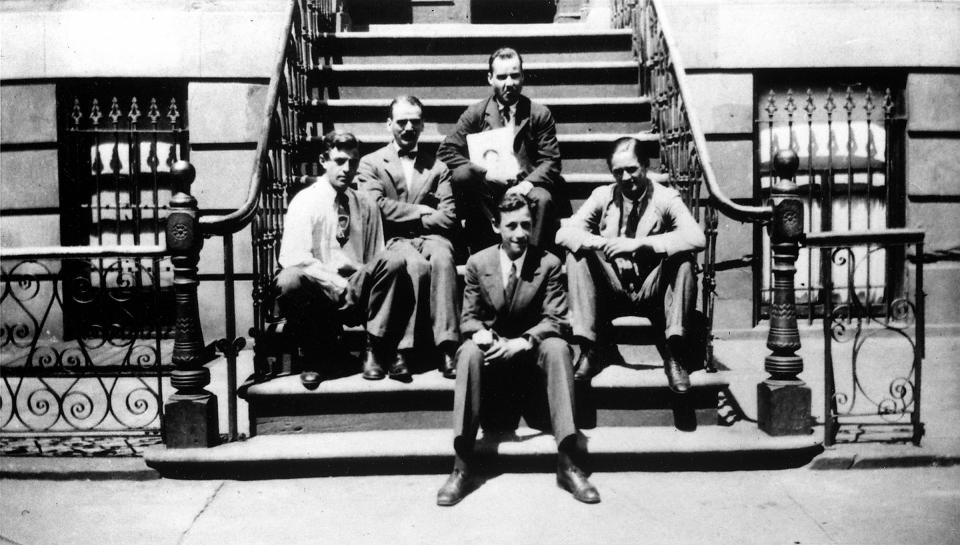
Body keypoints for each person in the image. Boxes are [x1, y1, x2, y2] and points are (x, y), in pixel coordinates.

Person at [436, 193, 600, 506]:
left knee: (558, 348)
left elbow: (556, 318)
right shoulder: (477, 263)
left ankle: (567, 461)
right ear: (496, 226)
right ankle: (462, 464)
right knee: (468, 352)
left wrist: (523, 342)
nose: (520, 233)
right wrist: (484, 336)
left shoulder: (548, 263)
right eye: (511, 225)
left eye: (526, 225)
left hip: (531, 354)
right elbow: (468, 319)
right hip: (493, 355)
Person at [276, 131, 429, 388]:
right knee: (289, 279)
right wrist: (336, 281)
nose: (347, 169)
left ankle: (375, 349)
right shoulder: (305, 201)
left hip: (357, 288)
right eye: (339, 161)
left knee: (392, 261)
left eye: (353, 162)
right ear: (324, 160)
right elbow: (293, 258)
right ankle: (314, 355)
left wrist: (357, 275)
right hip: (321, 290)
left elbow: (376, 257)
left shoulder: (365, 203)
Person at [555, 137, 706, 392]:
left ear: (646, 166)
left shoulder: (665, 197)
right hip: (613, 289)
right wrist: (607, 245)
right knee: (577, 255)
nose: (626, 177)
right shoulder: (603, 196)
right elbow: (564, 234)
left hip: (653, 290)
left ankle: (675, 353)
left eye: (632, 169)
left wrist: (639, 244)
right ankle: (589, 349)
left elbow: (697, 237)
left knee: (684, 260)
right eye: (618, 172)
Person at [358, 95, 461, 378]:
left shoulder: (437, 167)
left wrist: (413, 216)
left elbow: (448, 216)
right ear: (388, 124)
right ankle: (400, 350)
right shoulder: (371, 163)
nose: (407, 128)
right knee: (414, 265)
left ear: (423, 125)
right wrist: (420, 210)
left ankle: (448, 347)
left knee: (442, 258)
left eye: (414, 122)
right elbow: (376, 207)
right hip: (392, 240)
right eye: (401, 121)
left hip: (432, 239)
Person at [437, 47, 570, 253]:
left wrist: (524, 186)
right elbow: (446, 151)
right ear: (490, 78)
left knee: (543, 198)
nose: (509, 83)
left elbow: (551, 162)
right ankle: (482, 250)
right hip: (488, 192)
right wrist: (486, 174)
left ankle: (531, 259)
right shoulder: (476, 114)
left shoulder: (539, 114)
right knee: (462, 175)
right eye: (502, 77)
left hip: (526, 185)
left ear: (523, 77)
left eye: (514, 76)